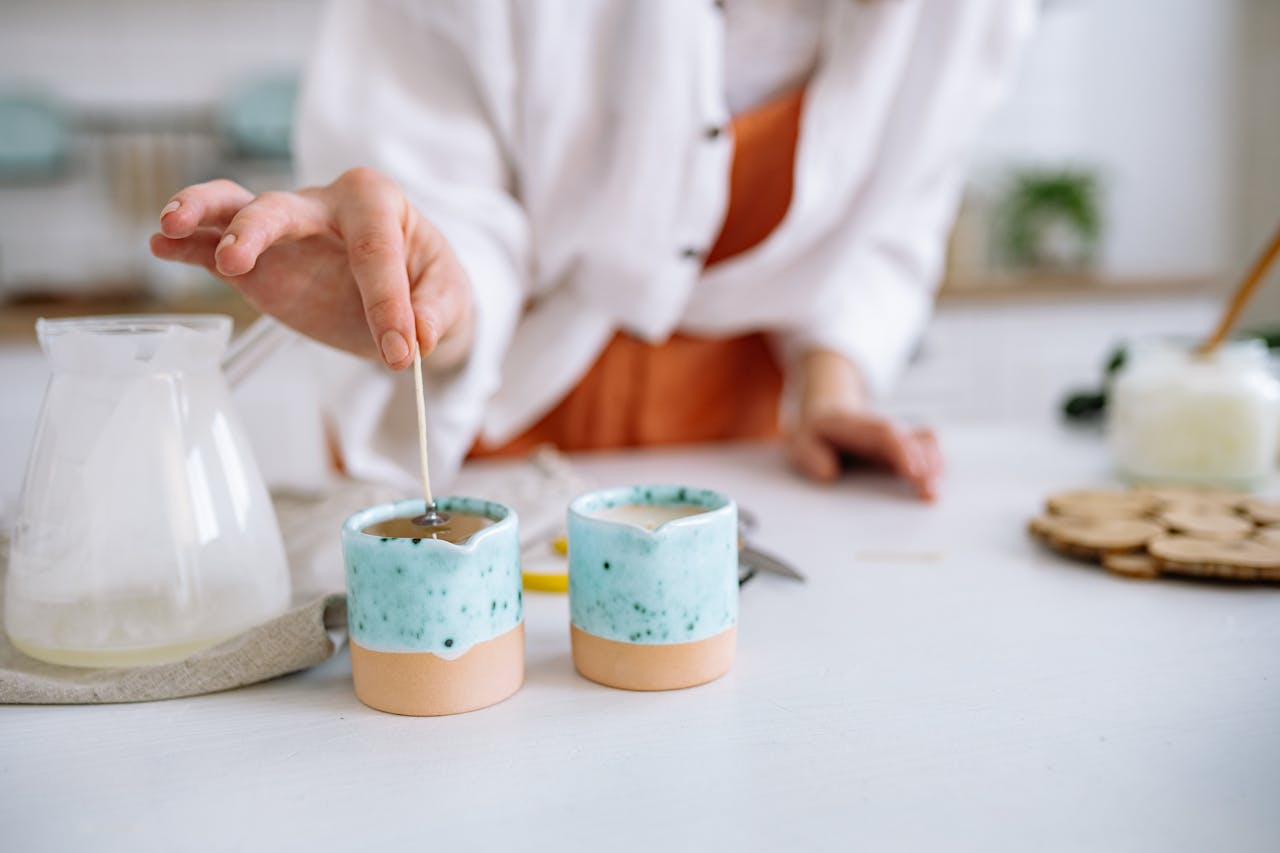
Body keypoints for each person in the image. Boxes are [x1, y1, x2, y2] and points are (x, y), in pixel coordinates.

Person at [152, 0, 1034, 500]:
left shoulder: (972, 16)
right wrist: (427, 301)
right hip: (489, 432)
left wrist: (832, 379)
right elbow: (440, 207)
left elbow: (897, 209)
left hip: (751, 457)